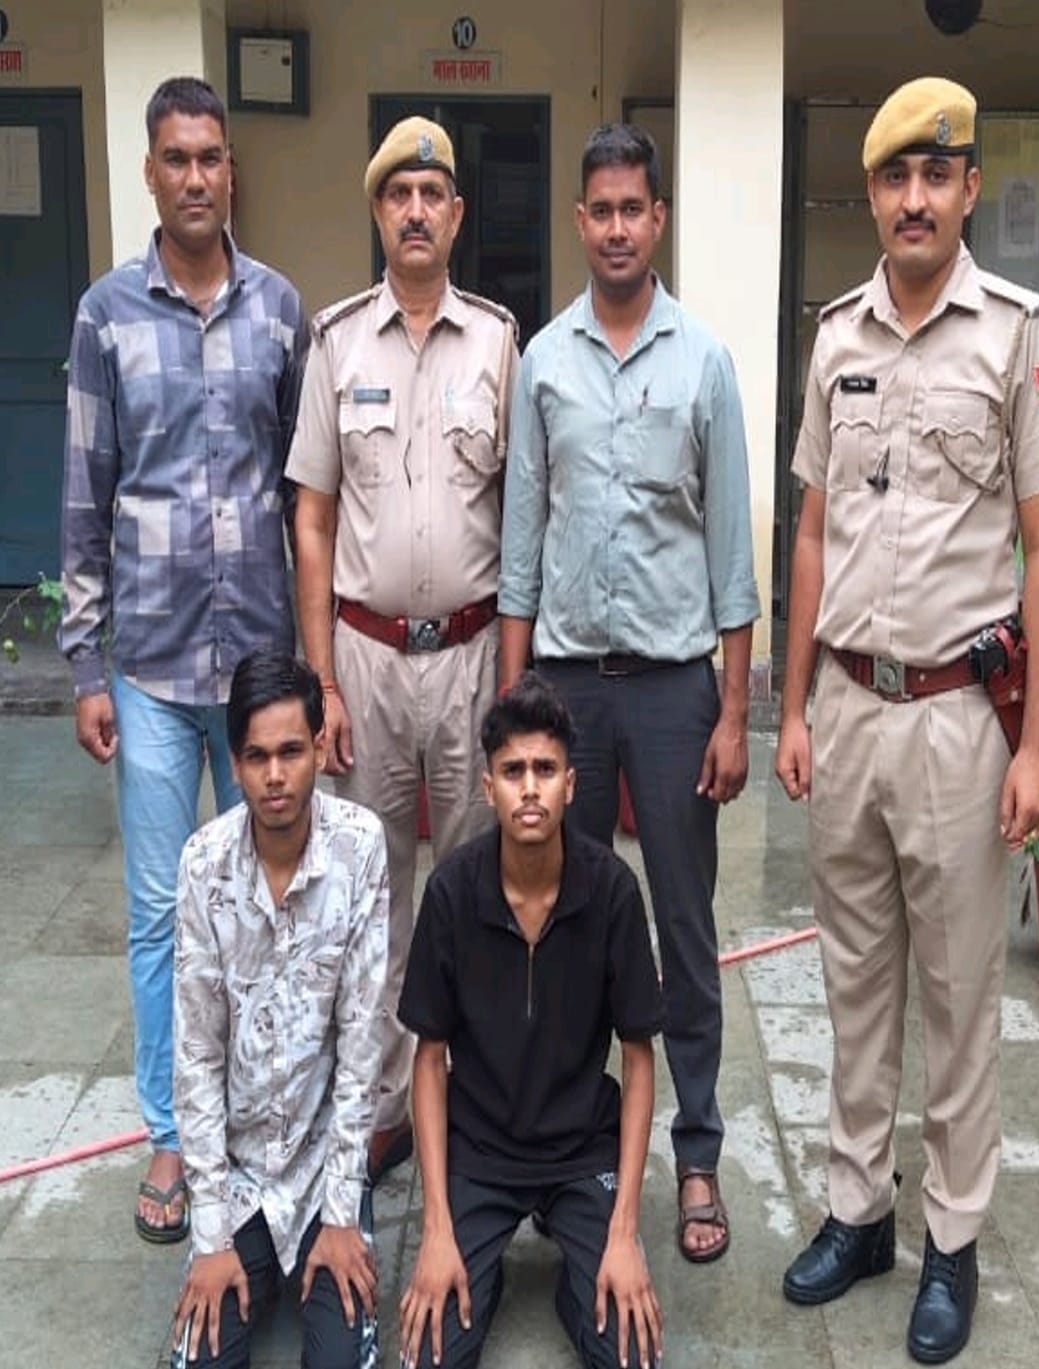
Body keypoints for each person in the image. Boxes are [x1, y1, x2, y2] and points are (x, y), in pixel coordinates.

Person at [774, 77, 1039, 1364]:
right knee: (855, 985)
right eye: (895, 177)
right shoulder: (834, 337)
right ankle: (859, 1211)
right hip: (848, 708)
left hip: (960, 719)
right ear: (873, 193)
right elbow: (810, 529)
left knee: (957, 998)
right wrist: (791, 704)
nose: (914, 198)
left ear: (966, 191)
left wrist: (1035, 744)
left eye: (935, 176)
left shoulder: (1016, 333)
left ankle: (952, 1238)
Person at [498, 123, 760, 1263]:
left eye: (632, 210)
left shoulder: (704, 362)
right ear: (580, 220)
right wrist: (514, 710)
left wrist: (735, 711)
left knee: (684, 925)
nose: (615, 229)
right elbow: (519, 548)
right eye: (598, 210)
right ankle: (565, 1143)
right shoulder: (543, 362)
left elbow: (733, 560)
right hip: (564, 692)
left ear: (659, 219)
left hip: (670, 695)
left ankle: (696, 1153)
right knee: (558, 920)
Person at [59, 76, 308, 1243]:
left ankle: (260, 1113)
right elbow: (84, 494)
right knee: (163, 913)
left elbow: (307, 496)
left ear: (230, 171)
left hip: (260, 674)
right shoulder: (104, 316)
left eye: (212, 156)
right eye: (178, 158)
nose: (197, 176)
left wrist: (314, 663)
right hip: (153, 670)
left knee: (269, 904)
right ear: (150, 172)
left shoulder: (280, 311)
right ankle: (170, 1131)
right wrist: (85, 665)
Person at [286, 115, 518, 1186]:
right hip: (367, 660)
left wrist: (512, 678)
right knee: (373, 891)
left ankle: (471, 1094)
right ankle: (385, 1106)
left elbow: (521, 514)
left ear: (457, 215)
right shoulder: (337, 342)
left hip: (470, 655)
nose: (416, 211)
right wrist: (322, 680)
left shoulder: (498, 342)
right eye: (398, 195)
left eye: (433, 195)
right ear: (378, 213)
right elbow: (313, 518)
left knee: (475, 882)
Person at [397, 673, 663, 1369]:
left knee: (630, 1352)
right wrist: (435, 1228)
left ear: (571, 785)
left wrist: (624, 1233)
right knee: (431, 1352)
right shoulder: (452, 892)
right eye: (513, 771)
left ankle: (576, 1280)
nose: (530, 788)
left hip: (582, 1147)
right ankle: (484, 1267)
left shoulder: (612, 891)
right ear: (488, 787)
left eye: (545, 769)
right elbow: (428, 1058)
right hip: (480, 1147)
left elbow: (639, 1056)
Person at [170, 650, 387, 1369]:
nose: (274, 776)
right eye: (257, 756)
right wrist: (210, 1237)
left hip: (326, 1168)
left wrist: (342, 1213)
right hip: (237, 1176)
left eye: (291, 751)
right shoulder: (203, 862)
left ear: (320, 749)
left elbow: (363, 1041)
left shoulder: (360, 847)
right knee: (201, 1358)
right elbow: (197, 1057)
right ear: (232, 763)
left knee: (339, 1359)